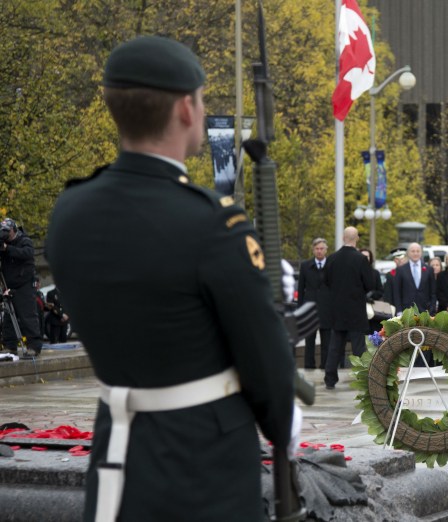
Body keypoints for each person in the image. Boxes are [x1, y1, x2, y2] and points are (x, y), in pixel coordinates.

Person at [43, 36, 296, 522]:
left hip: (114, 450)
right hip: (202, 467)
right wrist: (281, 423)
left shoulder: (69, 212)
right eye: (201, 100)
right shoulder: (212, 223)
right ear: (185, 108)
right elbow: (267, 368)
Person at [323, 226, 375, 390]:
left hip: (337, 310)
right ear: (357, 238)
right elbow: (370, 284)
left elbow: (326, 281)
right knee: (359, 348)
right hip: (356, 310)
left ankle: (330, 379)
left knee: (335, 347)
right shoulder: (360, 259)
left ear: (343, 238)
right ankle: (362, 378)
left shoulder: (331, 258)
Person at [0, 218, 43, 357]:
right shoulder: (3, 243)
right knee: (8, 316)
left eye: (7, 231)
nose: (5, 234)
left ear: (13, 230)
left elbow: (27, 254)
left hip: (24, 284)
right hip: (9, 284)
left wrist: (8, 248)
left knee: (28, 316)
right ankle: (10, 346)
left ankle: (34, 347)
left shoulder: (24, 240)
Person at [297, 237, 332, 369]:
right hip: (309, 309)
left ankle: (325, 366)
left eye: (322, 248)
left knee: (326, 342)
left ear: (326, 250)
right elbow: (301, 289)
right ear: (313, 250)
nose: (319, 251)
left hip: (327, 309)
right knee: (309, 341)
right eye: (317, 249)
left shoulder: (331, 265)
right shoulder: (306, 266)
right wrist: (300, 311)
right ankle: (309, 366)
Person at [393, 242, 437, 315]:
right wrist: (399, 311)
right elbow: (397, 292)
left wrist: (432, 309)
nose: (415, 253)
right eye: (413, 251)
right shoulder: (401, 270)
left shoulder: (429, 269)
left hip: (425, 311)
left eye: (418, 251)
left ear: (421, 253)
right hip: (406, 311)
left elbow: (433, 292)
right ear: (408, 253)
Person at [359, 247, 387, 334]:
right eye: (362, 256)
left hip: (373, 313)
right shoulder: (354, 272)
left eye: (367, 256)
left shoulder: (375, 273)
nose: (364, 258)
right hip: (358, 312)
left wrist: (371, 294)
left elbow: (381, 292)